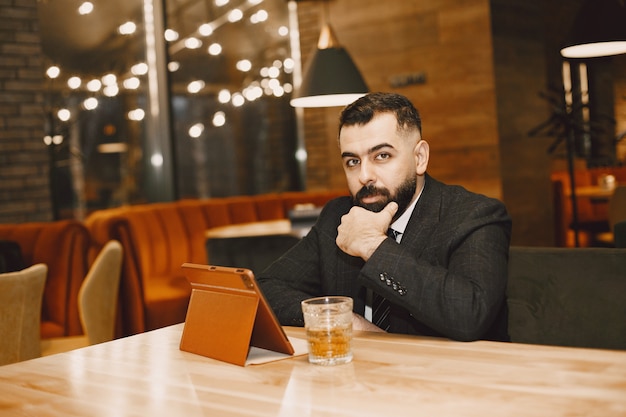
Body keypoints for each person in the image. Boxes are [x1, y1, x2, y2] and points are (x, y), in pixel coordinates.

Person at [257, 92, 512, 342]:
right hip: (356, 374)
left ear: (419, 158)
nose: (364, 175)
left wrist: (372, 245)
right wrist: (341, 319)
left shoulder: (473, 215)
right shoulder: (338, 216)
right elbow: (266, 289)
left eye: (382, 156)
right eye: (352, 162)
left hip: (451, 376)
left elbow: (470, 315)